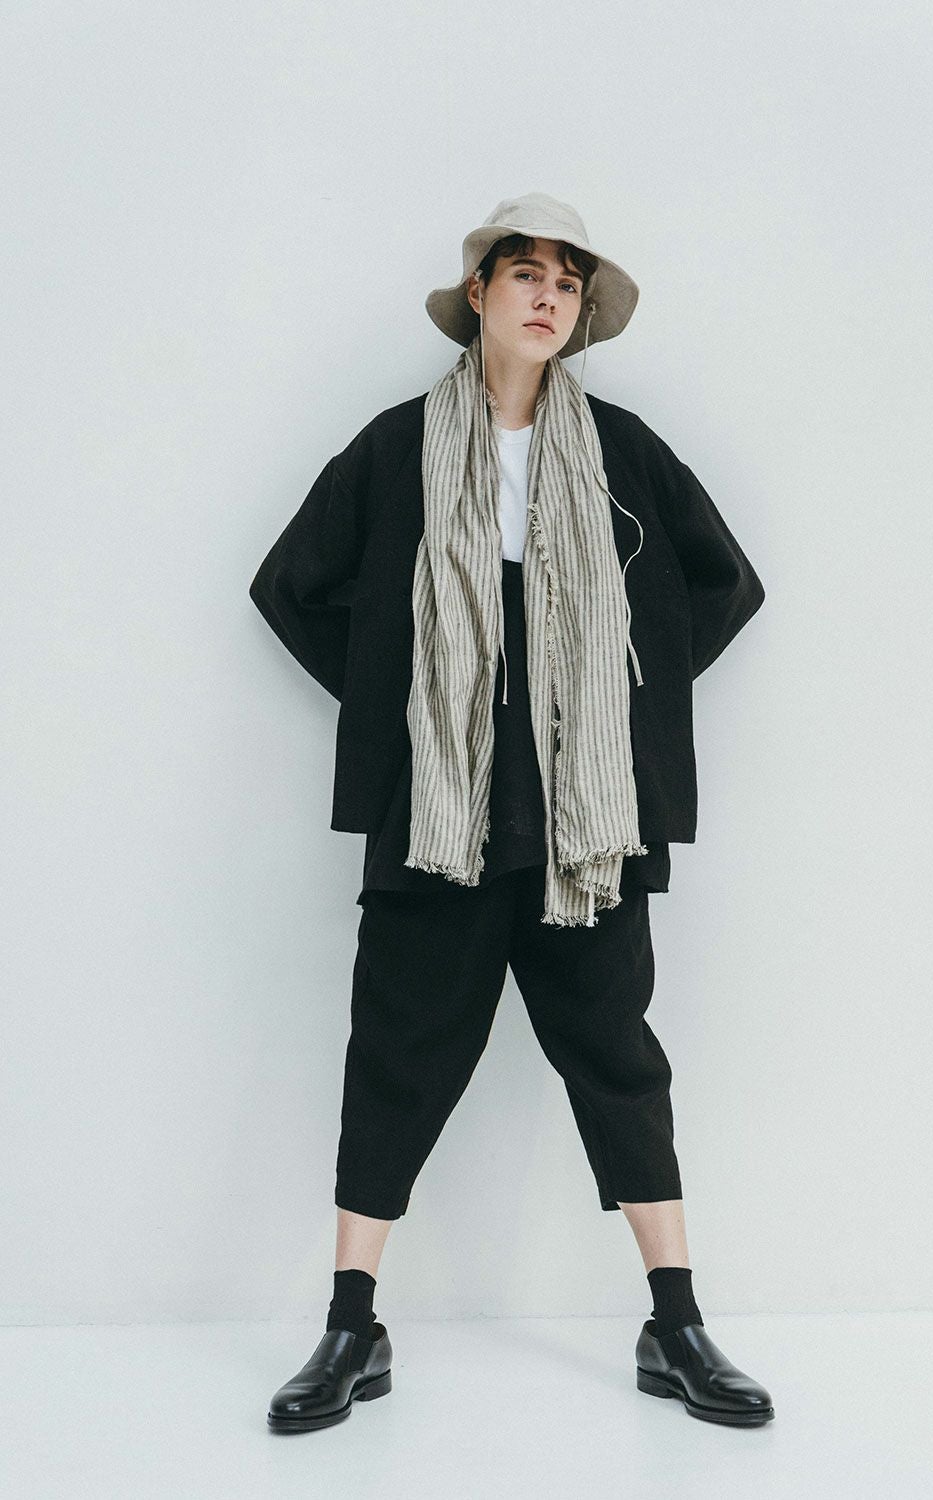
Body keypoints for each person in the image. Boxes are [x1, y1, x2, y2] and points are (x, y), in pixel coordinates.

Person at [250, 193, 774, 1433]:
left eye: (566, 282)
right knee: (396, 1055)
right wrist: (402, 704)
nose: (546, 296)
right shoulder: (397, 448)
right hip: (439, 817)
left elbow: (725, 585)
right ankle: (350, 1328)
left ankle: (676, 1325)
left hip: (583, 827)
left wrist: (617, 700)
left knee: (618, 1059)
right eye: (523, 272)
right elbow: (289, 587)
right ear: (478, 295)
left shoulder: (624, 453)